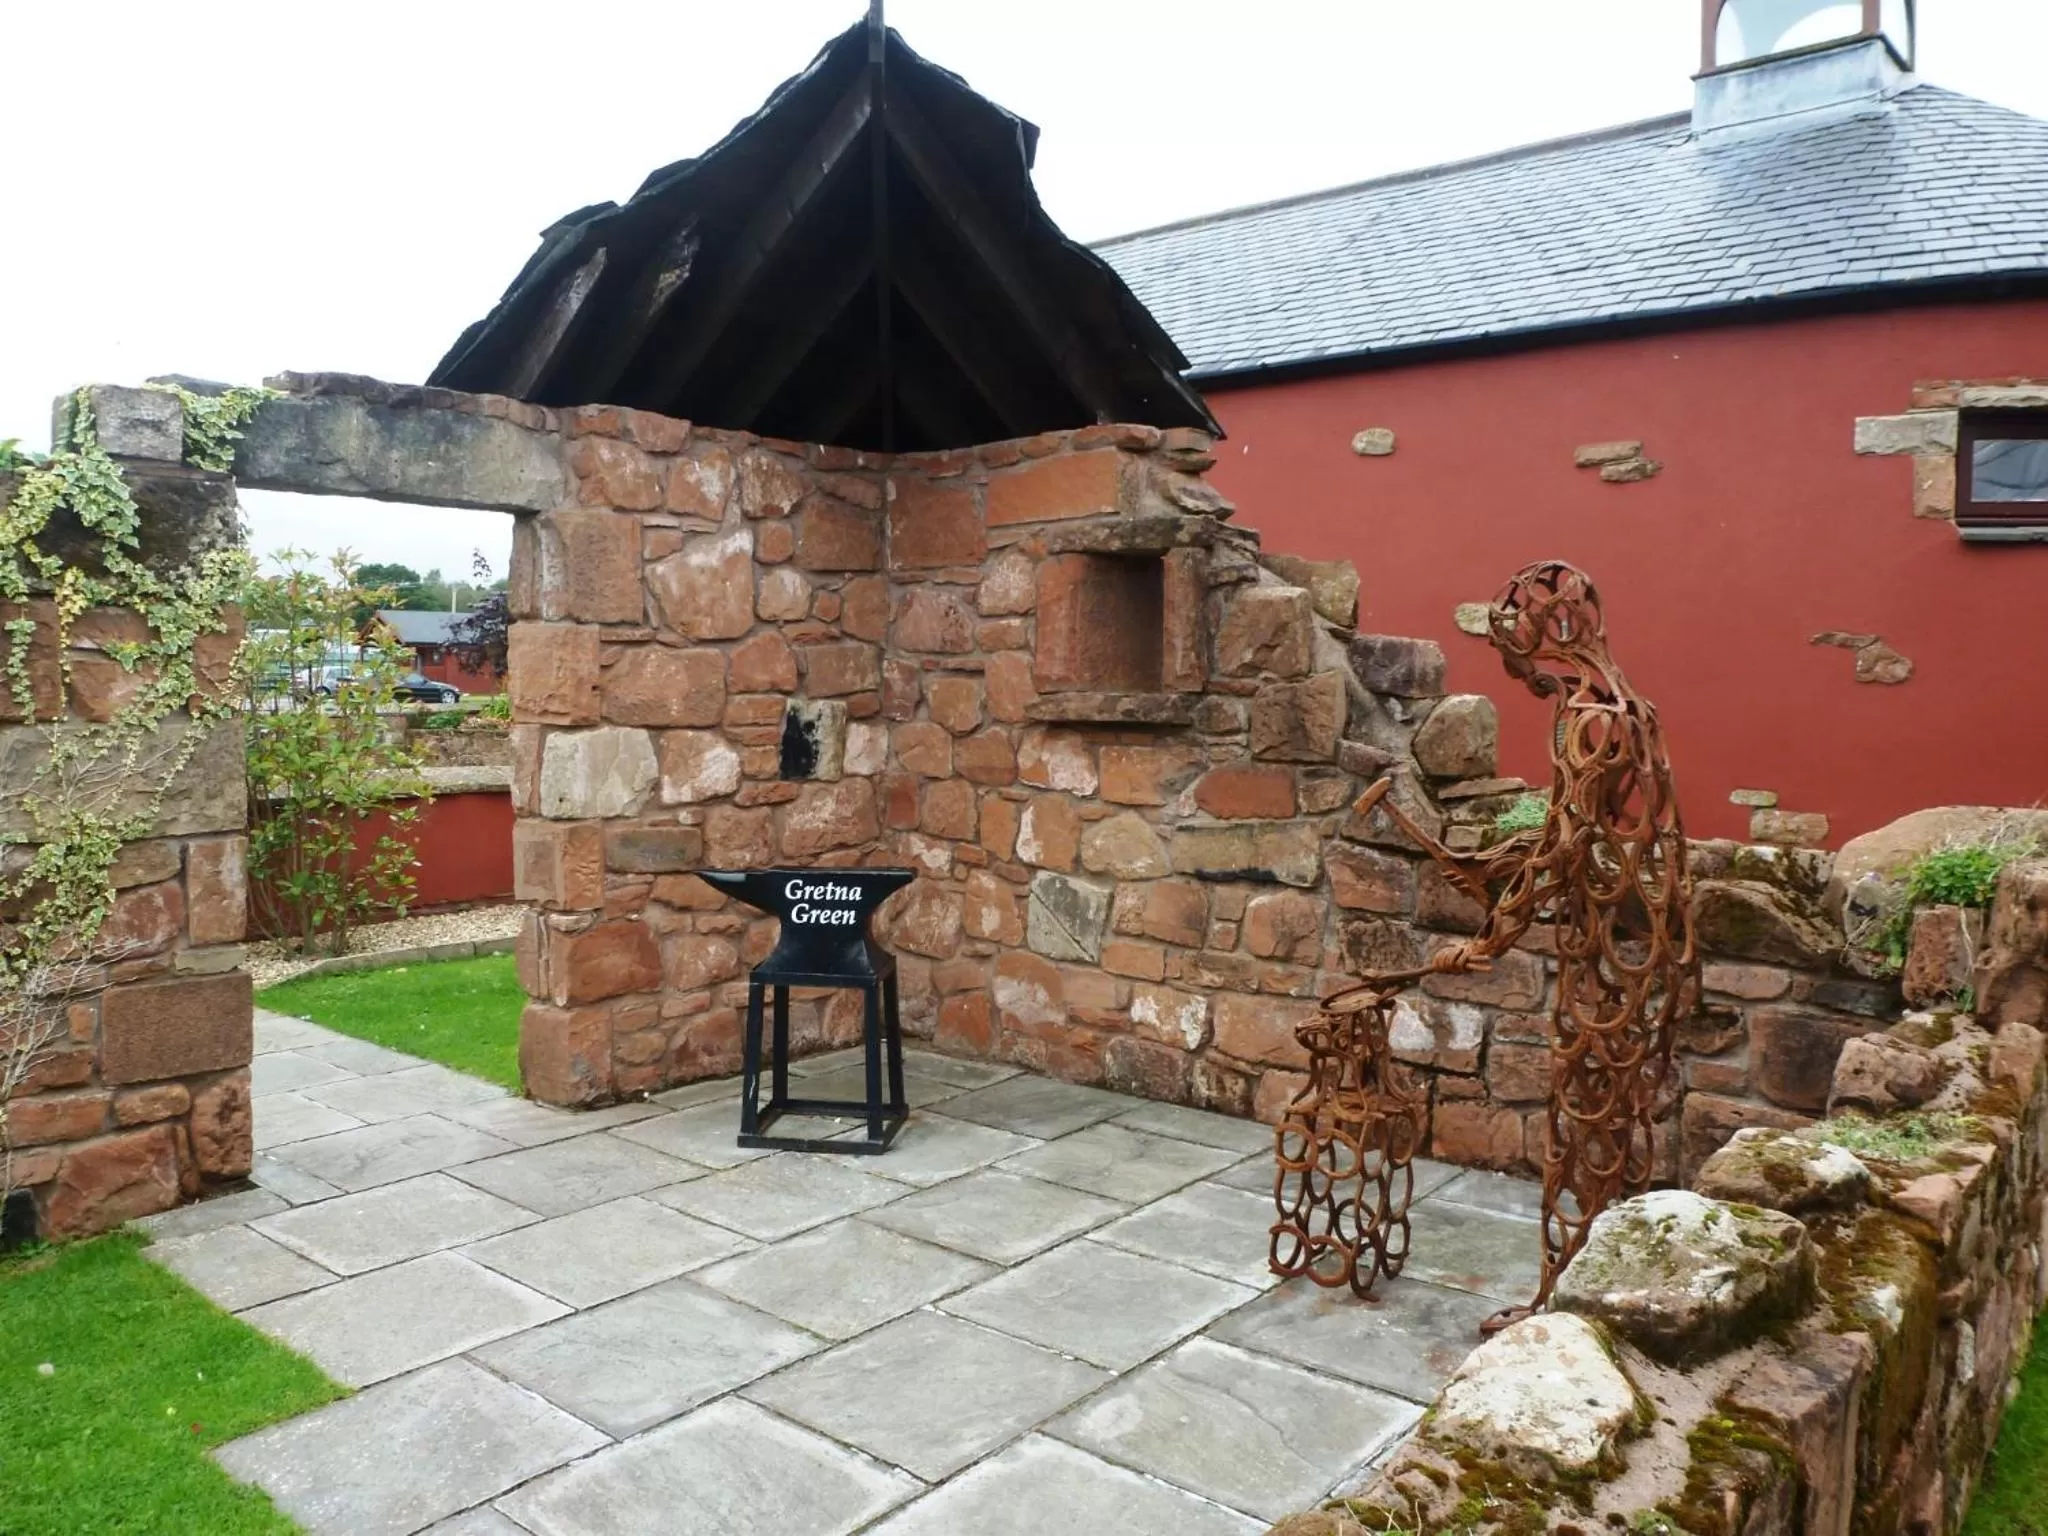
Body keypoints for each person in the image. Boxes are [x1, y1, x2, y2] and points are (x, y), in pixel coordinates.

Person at [1361, 559, 1699, 1333]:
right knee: (1621, 1118)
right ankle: (1615, 1284)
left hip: (1606, 953)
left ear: (1548, 634)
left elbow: (1565, 848)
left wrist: (1488, 939)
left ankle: (1563, 1306)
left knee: (1587, 1116)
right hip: (1650, 944)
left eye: (1512, 651)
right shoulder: (1628, 706)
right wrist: (1504, 861)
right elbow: (1585, 826)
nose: (1513, 672)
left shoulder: (1585, 719)